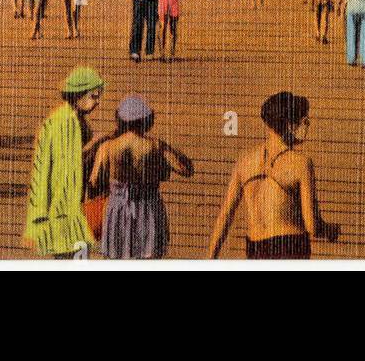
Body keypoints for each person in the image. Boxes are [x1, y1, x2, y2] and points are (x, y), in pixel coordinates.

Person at [208, 92, 340, 259]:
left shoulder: (245, 161)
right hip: (291, 247)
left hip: (256, 248)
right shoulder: (300, 163)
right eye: (303, 121)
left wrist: (211, 257)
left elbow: (225, 215)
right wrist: (330, 230)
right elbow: (312, 225)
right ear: (289, 125)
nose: (306, 126)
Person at [90, 95, 194, 259]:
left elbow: (94, 181)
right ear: (146, 119)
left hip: (117, 209)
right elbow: (186, 169)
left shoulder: (107, 147)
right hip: (149, 209)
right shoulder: (156, 146)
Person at [24, 67, 106, 258]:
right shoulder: (67, 121)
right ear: (78, 96)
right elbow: (69, 161)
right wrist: (96, 143)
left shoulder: (72, 117)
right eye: (93, 96)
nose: (97, 102)